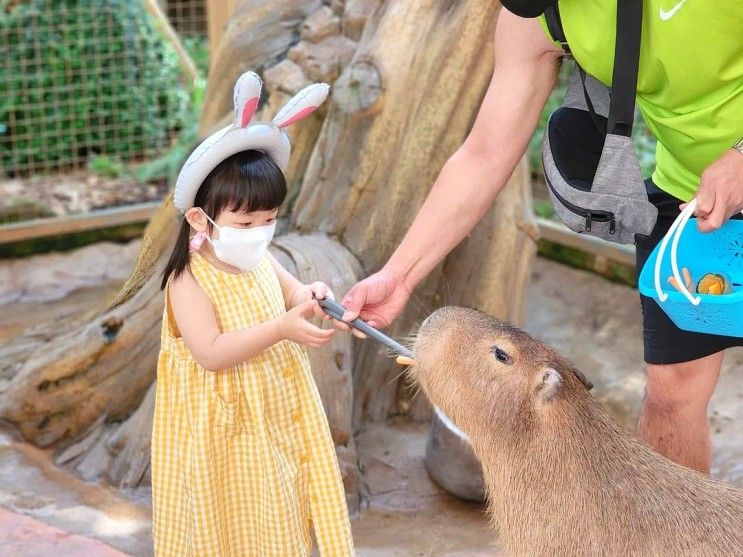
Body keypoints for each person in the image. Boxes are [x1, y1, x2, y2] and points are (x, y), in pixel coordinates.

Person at [341, 1, 743, 474]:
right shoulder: (536, 13)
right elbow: (484, 155)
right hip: (689, 196)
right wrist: (399, 275)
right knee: (671, 394)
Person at [151, 73, 354, 556]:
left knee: (280, 508)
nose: (260, 232)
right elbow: (212, 353)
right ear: (201, 219)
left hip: (274, 411)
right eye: (245, 223)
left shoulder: (257, 254)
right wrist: (282, 328)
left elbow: (291, 292)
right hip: (223, 429)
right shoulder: (188, 279)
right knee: (230, 519)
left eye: (269, 220)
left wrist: (313, 294)